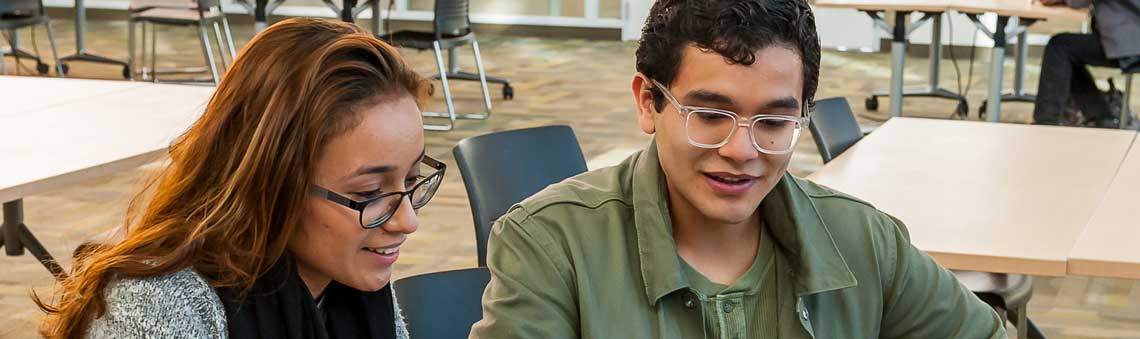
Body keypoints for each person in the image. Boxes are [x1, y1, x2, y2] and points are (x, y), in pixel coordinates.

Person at [469, 1, 1005, 338]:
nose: (742, 150)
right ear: (647, 102)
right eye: (708, 115)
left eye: (774, 121)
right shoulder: (549, 243)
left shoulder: (865, 242)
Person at [36, 18, 440, 339]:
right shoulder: (160, 307)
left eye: (412, 179)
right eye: (369, 192)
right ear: (272, 182)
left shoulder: (351, 280)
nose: (407, 221)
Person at [1034, 0, 1140, 127]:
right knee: (1068, 51)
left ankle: (1045, 123)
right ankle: (1104, 116)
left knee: (1059, 47)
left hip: (1131, 43)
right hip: (1132, 37)